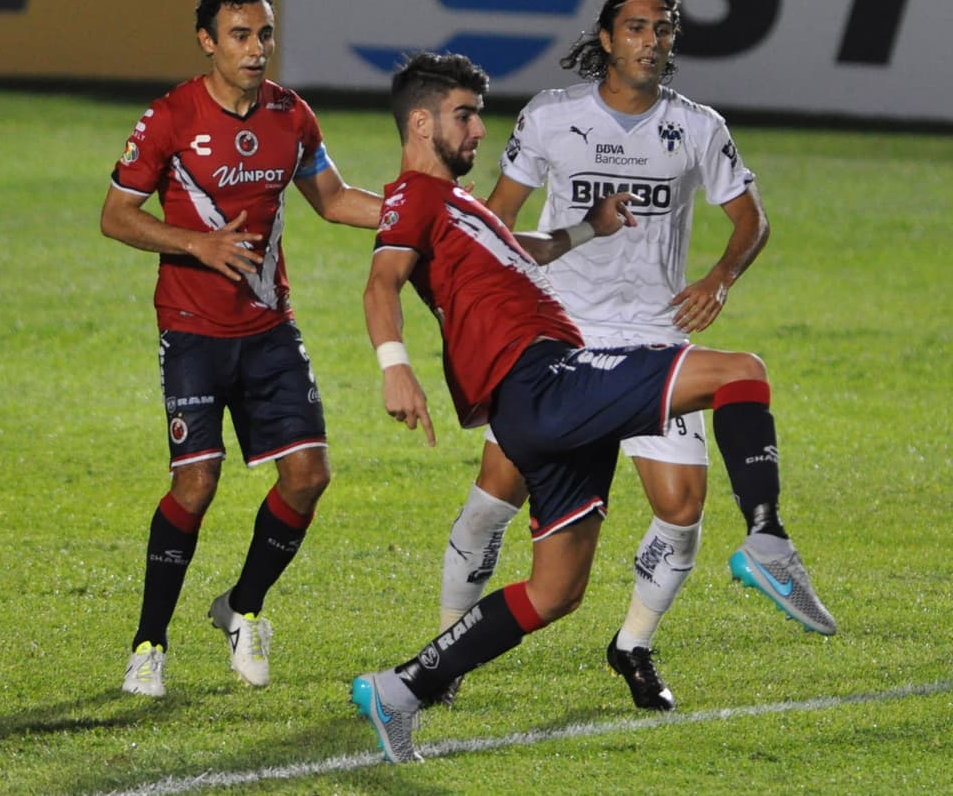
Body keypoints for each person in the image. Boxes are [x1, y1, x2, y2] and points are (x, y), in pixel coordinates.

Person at [351, 50, 827, 764]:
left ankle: (401, 688)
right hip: (544, 379)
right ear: (420, 124)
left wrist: (588, 229)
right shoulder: (415, 198)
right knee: (739, 372)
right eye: (465, 114)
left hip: (544, 399)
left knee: (555, 590)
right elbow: (382, 281)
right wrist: (396, 368)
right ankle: (766, 537)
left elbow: (525, 247)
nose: (480, 128)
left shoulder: (461, 208)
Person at [435, 0, 835, 712]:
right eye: (640, 28)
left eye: (666, 29)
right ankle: (446, 647)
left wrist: (720, 276)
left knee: (682, 507)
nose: (654, 41)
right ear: (608, 38)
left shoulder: (698, 127)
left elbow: (752, 220)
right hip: (555, 335)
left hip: (654, 336)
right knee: (495, 496)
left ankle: (634, 644)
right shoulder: (551, 118)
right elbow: (493, 223)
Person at [100, 0, 382, 698]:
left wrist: (422, 214)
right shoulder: (169, 117)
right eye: (239, 35)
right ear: (207, 41)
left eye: (264, 35)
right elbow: (117, 215)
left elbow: (335, 198)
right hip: (192, 329)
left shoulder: (292, 116)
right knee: (195, 485)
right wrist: (197, 245)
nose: (256, 50)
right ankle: (148, 643)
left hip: (269, 327)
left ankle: (243, 605)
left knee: (309, 475)